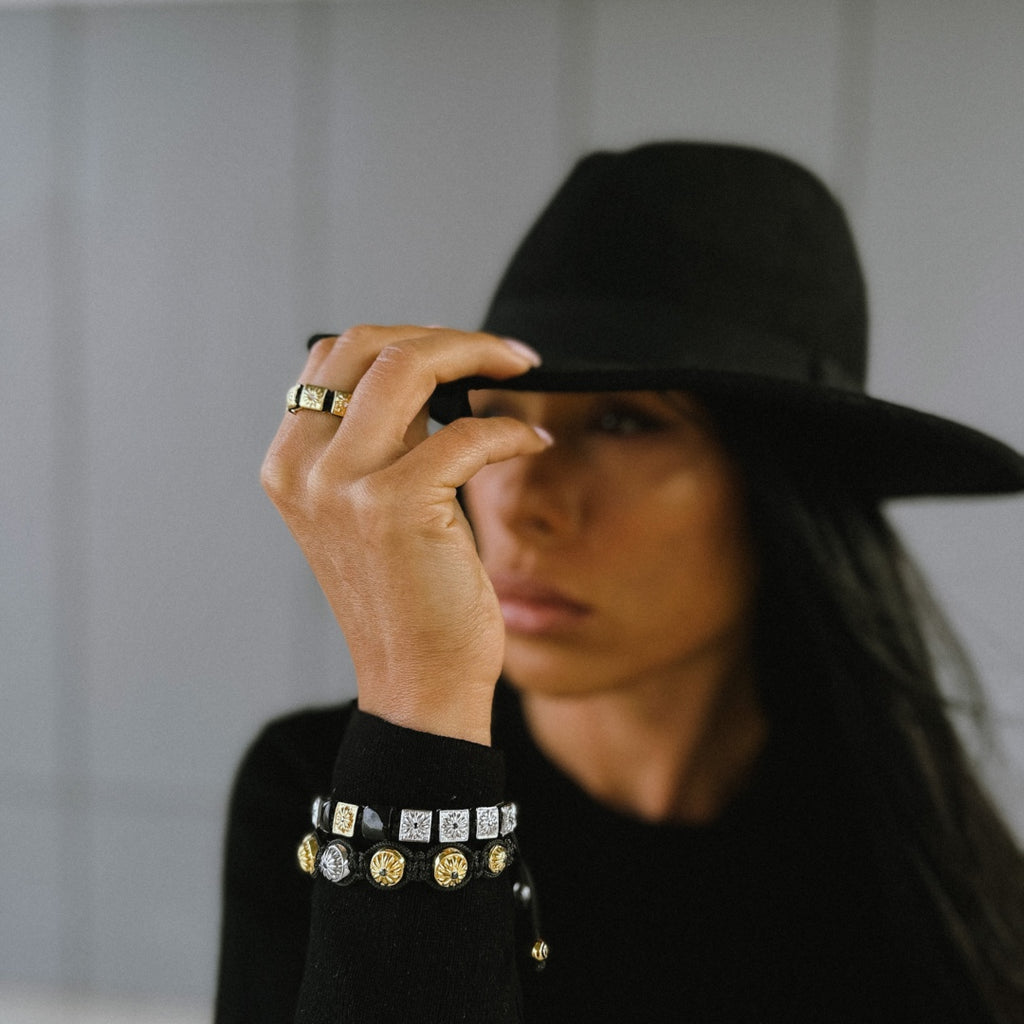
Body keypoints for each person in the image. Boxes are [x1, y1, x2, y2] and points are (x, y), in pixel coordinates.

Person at [215, 142, 1024, 1023]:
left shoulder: (912, 857)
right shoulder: (323, 789)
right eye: (494, 420)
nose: (520, 500)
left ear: (777, 493)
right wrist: (419, 712)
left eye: (622, 421)